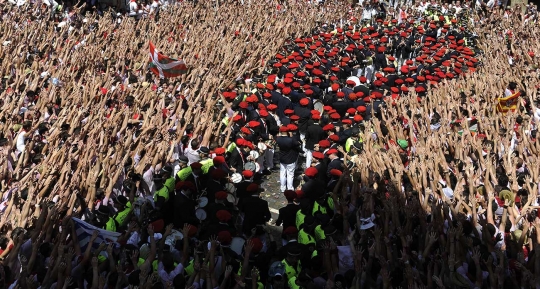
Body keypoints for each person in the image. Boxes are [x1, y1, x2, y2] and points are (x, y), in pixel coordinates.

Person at [276, 126, 301, 192]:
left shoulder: (278, 139)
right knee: (290, 174)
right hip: (290, 159)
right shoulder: (291, 140)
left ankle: (282, 187)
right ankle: (290, 188)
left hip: (282, 158)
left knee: (282, 173)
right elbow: (297, 145)